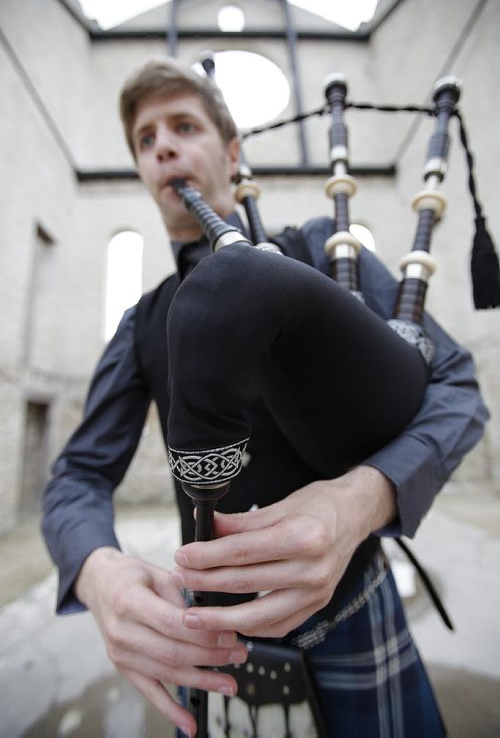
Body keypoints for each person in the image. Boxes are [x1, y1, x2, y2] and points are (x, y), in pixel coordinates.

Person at [42, 56, 488, 738]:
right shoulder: (140, 323)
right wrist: (98, 574)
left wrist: (361, 499)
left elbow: (455, 388)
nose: (162, 145)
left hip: (356, 615)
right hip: (214, 648)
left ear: (231, 151)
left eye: (183, 125)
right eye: (145, 138)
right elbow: (77, 475)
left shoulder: (319, 250)